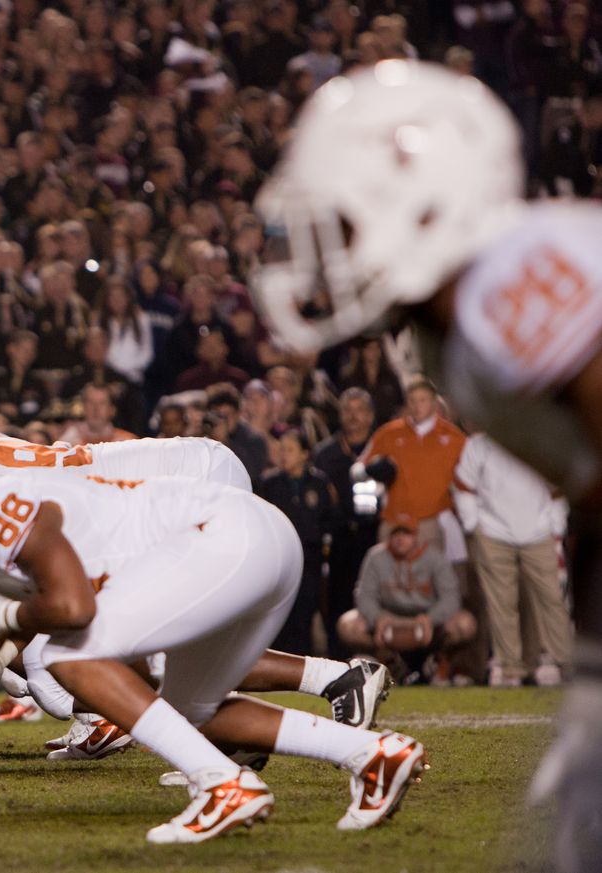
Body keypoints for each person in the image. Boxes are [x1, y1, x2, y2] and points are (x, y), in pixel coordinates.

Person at [252, 62, 602, 868]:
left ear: (421, 202)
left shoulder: (506, 286)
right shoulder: (448, 332)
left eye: (342, 218)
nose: (323, 244)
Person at [0, 434, 426, 845]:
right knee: (188, 708)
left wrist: (8, 618)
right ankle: (373, 754)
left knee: (64, 655)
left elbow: (72, 606)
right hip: (251, 542)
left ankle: (223, 784)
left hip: (226, 538)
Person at [455, 433, 573, 686]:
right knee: (502, 602)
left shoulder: (542, 439)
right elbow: (463, 484)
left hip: (538, 530)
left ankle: (565, 662)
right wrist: (473, 524)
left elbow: (559, 484)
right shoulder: (478, 444)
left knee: (552, 598)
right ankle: (511, 668)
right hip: (493, 533)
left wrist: (555, 523)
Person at [338, 516, 477, 682]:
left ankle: (440, 662)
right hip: (388, 618)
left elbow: (451, 598)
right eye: (396, 533)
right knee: (348, 624)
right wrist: (377, 618)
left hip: (426, 619)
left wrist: (430, 619)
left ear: (416, 536)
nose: (400, 538)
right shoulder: (376, 556)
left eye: (406, 533)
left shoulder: (434, 557)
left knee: (464, 624)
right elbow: (364, 595)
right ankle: (388, 662)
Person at [360, 378, 466, 552]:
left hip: (433, 521)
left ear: (434, 402)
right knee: (389, 578)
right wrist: (373, 473)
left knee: (435, 577)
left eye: (423, 400)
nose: (417, 406)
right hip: (394, 522)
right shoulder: (388, 433)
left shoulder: (454, 438)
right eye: (412, 400)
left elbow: (468, 480)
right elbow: (360, 468)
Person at [314, 388, 382, 658]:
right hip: (338, 538)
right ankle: (338, 659)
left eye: (359, 410)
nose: (353, 417)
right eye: (347, 410)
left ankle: (382, 658)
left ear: (370, 416)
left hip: (375, 535)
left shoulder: (382, 447)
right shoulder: (325, 453)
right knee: (336, 600)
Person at [259, 429, 338, 655]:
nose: (284, 455)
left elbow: (331, 517)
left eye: (290, 450)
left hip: (310, 558)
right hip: (279, 559)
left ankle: (302, 662)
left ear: (305, 453)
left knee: (305, 610)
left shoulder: (320, 483)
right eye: (281, 449)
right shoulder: (270, 483)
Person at [57, 382, 136, 446]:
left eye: (102, 403)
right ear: (83, 407)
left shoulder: (128, 443)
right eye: (90, 402)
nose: (96, 409)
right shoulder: (68, 442)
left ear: (112, 410)